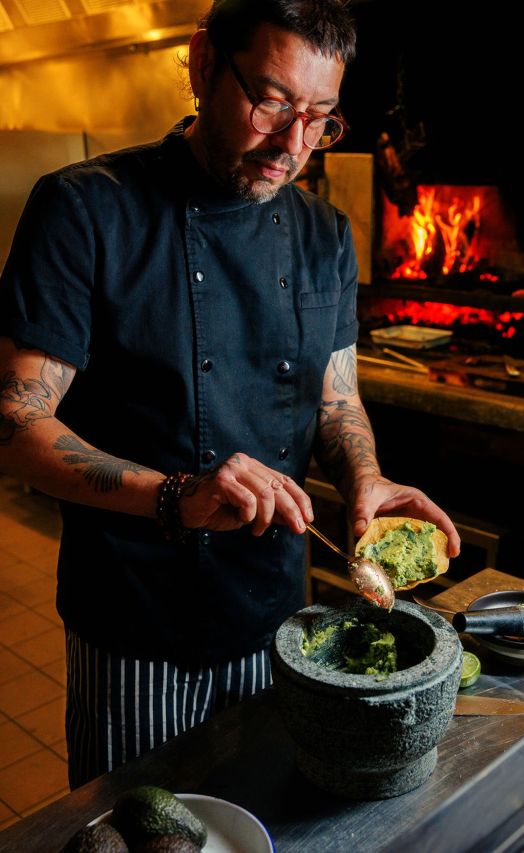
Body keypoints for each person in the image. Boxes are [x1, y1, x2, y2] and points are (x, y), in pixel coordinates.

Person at [0, 0, 460, 788]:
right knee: (142, 830)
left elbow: (335, 398)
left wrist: (367, 480)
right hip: (136, 626)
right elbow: (14, 423)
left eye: (319, 117)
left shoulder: (323, 233)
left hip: (281, 620)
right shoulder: (86, 209)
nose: (294, 144)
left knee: (263, 820)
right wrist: (178, 494)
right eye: (274, 103)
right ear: (205, 62)